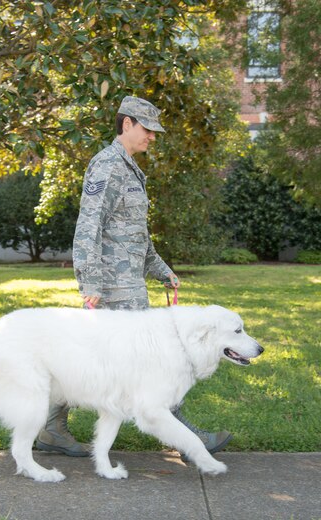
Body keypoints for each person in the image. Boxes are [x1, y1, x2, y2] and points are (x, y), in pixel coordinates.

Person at [35, 95, 232, 459]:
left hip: (130, 285)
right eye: (147, 129)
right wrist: (90, 283)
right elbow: (87, 229)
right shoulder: (107, 166)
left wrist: (162, 271)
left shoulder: (129, 169)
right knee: (152, 361)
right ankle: (188, 440)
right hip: (112, 289)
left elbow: (134, 235)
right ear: (127, 124)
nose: (153, 138)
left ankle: (51, 429)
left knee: (91, 360)